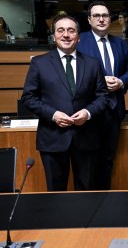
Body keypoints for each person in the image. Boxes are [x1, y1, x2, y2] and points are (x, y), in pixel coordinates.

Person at [21, 14, 109, 191]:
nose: (66, 35)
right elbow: (28, 97)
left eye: (71, 30)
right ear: (54, 36)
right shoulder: (40, 63)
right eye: (60, 30)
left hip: (86, 139)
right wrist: (53, 115)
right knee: (55, 192)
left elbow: (103, 96)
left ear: (78, 36)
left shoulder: (93, 64)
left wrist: (88, 113)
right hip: (53, 139)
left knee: (86, 192)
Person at [76, 1, 128, 190]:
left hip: (114, 111)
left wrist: (122, 81)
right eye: (97, 16)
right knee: (88, 162)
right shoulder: (80, 41)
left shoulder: (120, 43)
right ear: (89, 19)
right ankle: (86, 205)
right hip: (88, 111)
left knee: (108, 160)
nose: (101, 19)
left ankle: (103, 204)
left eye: (105, 16)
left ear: (110, 19)